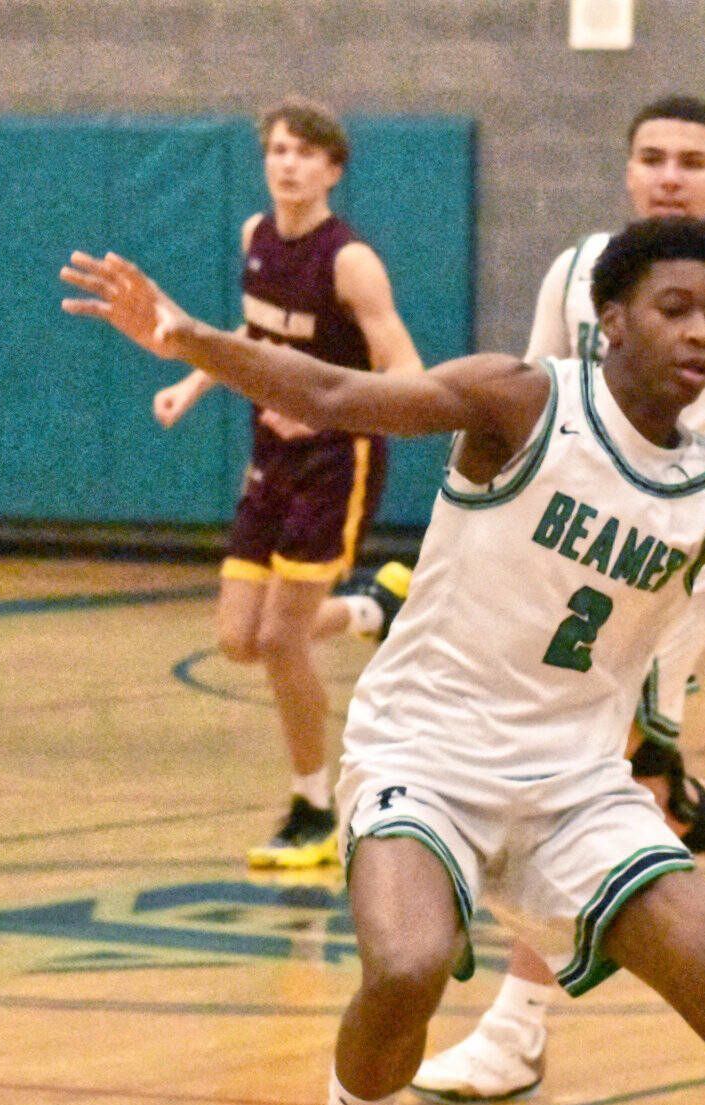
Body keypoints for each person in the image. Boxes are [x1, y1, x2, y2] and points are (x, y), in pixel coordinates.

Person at [62, 216, 705, 1105]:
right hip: (425, 751)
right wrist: (188, 336)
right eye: (675, 308)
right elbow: (335, 393)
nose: (700, 334)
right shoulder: (521, 401)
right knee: (406, 965)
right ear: (612, 318)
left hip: (574, 787)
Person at [409, 93, 705, 1105]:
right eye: (653, 157)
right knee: (636, 787)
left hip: (670, 572)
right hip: (562, 555)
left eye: (692, 160)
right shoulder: (575, 274)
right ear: (628, 171)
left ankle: (515, 1028)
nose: (670, 174)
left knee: (573, 776)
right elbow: (538, 393)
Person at [151, 95, 423, 871]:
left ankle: (314, 808)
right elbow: (257, 335)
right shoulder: (256, 236)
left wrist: (326, 411)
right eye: (277, 150)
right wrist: (194, 381)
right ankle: (374, 607)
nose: (288, 164)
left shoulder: (350, 261)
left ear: (333, 170)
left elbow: (406, 371)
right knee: (238, 638)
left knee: (280, 640)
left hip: (337, 462)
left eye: (305, 153)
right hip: (270, 456)